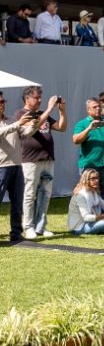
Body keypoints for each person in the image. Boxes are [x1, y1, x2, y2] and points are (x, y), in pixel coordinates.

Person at [15, 86, 66, 239]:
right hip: (30, 160)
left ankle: (41, 226)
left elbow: (62, 127)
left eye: (40, 98)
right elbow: (34, 126)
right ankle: (28, 226)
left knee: (45, 194)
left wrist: (62, 111)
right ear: (27, 98)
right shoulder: (21, 114)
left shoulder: (42, 114)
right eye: (36, 97)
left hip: (48, 159)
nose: (40, 100)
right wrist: (50, 108)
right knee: (30, 195)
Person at [1, 91, 38, 243]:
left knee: (17, 202)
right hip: (1, 167)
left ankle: (16, 233)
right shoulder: (13, 122)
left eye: (3, 101)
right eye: (0, 102)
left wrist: (35, 125)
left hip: (16, 165)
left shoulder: (10, 119)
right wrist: (18, 123)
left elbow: (24, 133)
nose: (2, 105)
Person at [72, 97, 104, 202]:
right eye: (94, 107)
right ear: (88, 110)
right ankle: (89, 217)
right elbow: (76, 140)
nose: (98, 109)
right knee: (88, 195)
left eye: (99, 106)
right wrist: (89, 128)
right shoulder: (82, 124)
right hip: (89, 166)